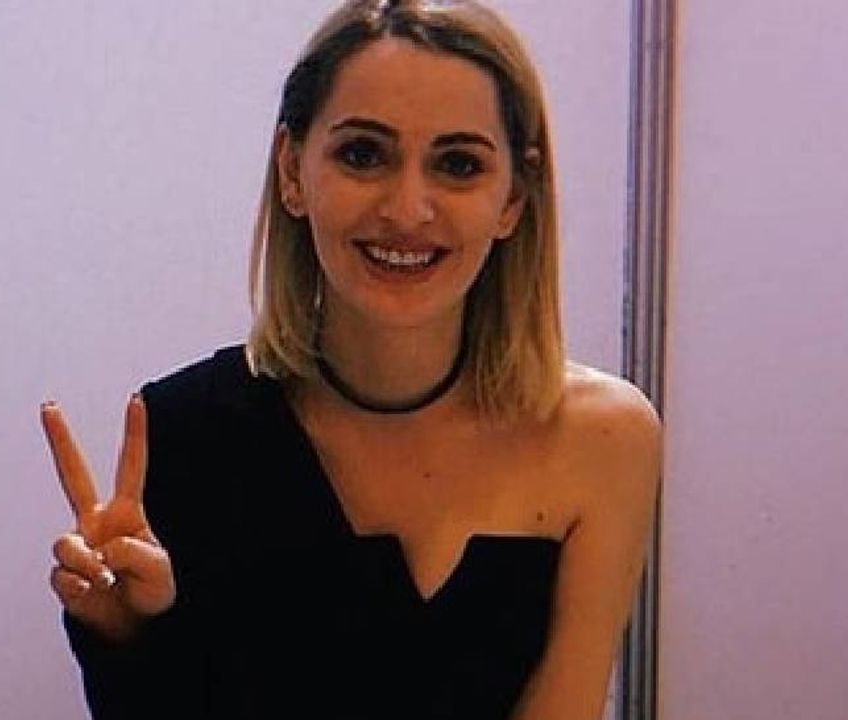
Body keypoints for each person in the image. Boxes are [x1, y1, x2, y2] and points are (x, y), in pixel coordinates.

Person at [43, 1, 661, 718]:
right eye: (364, 155)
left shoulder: (604, 439)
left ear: (513, 199)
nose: (407, 209)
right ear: (292, 171)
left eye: (458, 164)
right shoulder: (187, 431)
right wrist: (123, 636)